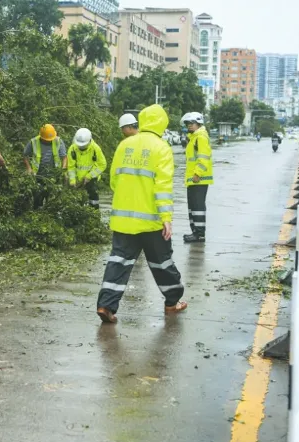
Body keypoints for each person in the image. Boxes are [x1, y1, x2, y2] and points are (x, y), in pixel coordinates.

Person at [96, 104, 188, 324]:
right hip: (151, 221)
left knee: (118, 261)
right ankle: (172, 302)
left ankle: (106, 305)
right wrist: (166, 218)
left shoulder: (124, 145)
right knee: (162, 263)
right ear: (162, 123)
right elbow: (163, 186)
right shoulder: (162, 148)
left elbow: (114, 180)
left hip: (123, 219)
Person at [182, 112, 213, 243]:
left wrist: (197, 173)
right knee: (193, 207)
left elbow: (203, 157)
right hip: (193, 180)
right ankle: (195, 232)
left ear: (199, 124)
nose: (189, 126)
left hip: (199, 179)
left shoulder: (200, 137)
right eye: (188, 124)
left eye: (192, 123)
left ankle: (200, 235)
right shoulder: (193, 138)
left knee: (198, 207)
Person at [23, 124, 68, 209]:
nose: (48, 141)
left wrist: (63, 170)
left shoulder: (58, 141)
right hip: (38, 176)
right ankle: (38, 213)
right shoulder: (34, 141)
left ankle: (50, 214)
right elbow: (25, 155)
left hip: (54, 177)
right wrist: (29, 168)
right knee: (37, 198)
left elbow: (64, 157)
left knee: (52, 201)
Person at [67, 128, 107, 208]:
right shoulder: (72, 149)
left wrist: (90, 176)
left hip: (92, 178)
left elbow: (102, 164)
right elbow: (71, 167)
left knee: (93, 197)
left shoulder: (95, 149)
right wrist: (72, 180)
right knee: (77, 201)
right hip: (78, 179)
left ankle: (94, 214)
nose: (81, 147)